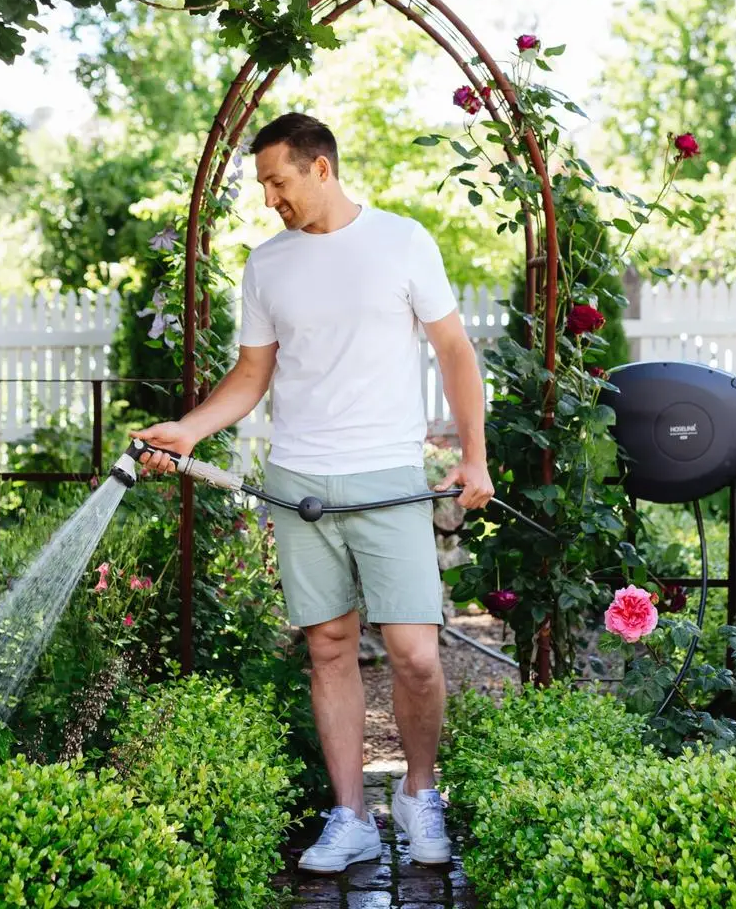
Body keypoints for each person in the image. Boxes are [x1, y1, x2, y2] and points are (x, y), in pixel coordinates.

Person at [130, 112, 494, 874]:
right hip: (299, 478)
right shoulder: (267, 266)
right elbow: (252, 375)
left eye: (278, 180)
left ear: (320, 168)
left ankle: (419, 794)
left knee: (416, 654)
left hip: (388, 476)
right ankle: (351, 815)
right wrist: (192, 429)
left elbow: (454, 351)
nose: (269, 198)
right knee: (328, 647)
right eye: (263, 183)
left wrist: (475, 456)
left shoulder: (402, 241)